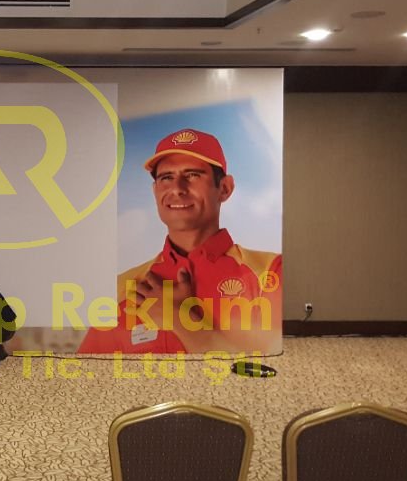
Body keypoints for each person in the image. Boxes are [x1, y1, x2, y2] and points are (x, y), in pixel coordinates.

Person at [78, 128, 282, 354]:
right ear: (155, 191)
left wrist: (176, 317)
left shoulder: (271, 273)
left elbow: (276, 366)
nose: (177, 189)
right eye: (166, 177)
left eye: (193, 175)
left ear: (224, 188)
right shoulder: (123, 289)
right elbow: (90, 371)